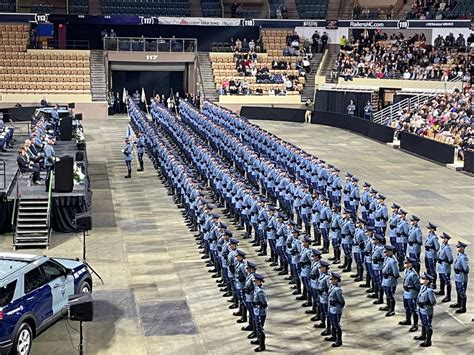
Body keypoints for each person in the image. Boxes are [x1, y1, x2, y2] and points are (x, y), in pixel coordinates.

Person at [414, 272, 437, 347]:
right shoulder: (423, 287)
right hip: (421, 309)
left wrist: (425, 303)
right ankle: (423, 336)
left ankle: (428, 341)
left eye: (424, 279)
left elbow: (433, 301)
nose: (422, 279)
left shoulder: (429, 290)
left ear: (428, 281)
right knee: (423, 323)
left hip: (427, 310)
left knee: (428, 325)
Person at [399, 257, 421, 332]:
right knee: (407, 308)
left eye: (406, 263)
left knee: (413, 310)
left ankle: (415, 325)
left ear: (410, 264)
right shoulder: (406, 271)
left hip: (412, 293)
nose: (405, 264)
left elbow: (418, 286)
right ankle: (408, 320)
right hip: (406, 293)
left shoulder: (413, 274)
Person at [326, 271, 345, 347]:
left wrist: (336, 302)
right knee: (333, 323)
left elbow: (342, 301)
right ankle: (334, 336)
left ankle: (339, 340)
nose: (331, 280)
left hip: (336, 309)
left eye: (332, 279)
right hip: (331, 308)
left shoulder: (337, 289)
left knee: (337, 325)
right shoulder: (332, 287)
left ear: (336, 280)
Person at [450, 241, 469, 314]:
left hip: (462, 278)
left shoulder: (463, 257)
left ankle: (463, 307)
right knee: (458, 290)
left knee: (462, 292)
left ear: (463, 248)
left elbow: (466, 269)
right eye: (457, 247)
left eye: (459, 247)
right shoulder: (459, 255)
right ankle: (459, 303)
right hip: (458, 277)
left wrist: (460, 270)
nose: (457, 248)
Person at [380, 245, 399, 317]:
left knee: (390, 295)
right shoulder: (387, 258)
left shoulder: (393, 261)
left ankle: (392, 310)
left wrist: (390, 275)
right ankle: (388, 306)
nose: (385, 252)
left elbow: (396, 273)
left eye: (386, 251)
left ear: (391, 252)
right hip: (385, 280)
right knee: (387, 294)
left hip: (390, 281)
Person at [252, 273, 267, 352]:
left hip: (260, 312)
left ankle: (262, 345)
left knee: (260, 329)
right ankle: (259, 340)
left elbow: (264, 303)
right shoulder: (257, 288)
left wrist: (257, 303)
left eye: (255, 281)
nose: (254, 282)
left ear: (259, 281)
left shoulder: (260, 291)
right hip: (257, 311)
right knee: (258, 327)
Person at [436, 232, 453, 302]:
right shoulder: (442, 246)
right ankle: (441, 290)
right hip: (441, 267)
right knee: (441, 279)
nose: (441, 239)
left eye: (443, 238)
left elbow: (450, 260)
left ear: (446, 240)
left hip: (445, 268)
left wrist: (443, 260)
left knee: (447, 282)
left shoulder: (447, 248)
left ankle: (448, 296)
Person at [424, 222, 440, 289]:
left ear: (433, 229)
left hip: (432, 255)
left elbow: (437, 247)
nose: (428, 230)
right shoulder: (429, 236)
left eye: (429, 228)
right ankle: (429, 281)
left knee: (432, 270)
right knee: (428, 269)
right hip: (427, 255)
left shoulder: (434, 238)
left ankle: (433, 283)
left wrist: (430, 247)